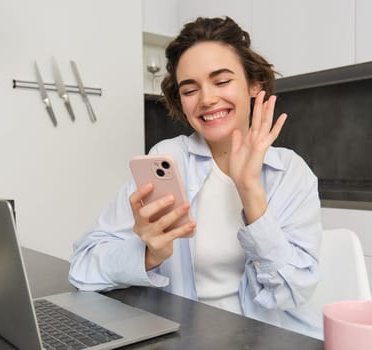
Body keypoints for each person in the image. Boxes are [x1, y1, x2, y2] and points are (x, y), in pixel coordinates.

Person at [69, 16, 322, 337]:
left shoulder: (291, 173)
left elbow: (291, 294)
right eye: (190, 89)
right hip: (183, 336)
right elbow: (82, 268)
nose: (207, 99)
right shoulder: (167, 159)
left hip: (269, 335)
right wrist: (148, 254)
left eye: (221, 81)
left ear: (254, 84)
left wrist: (250, 190)